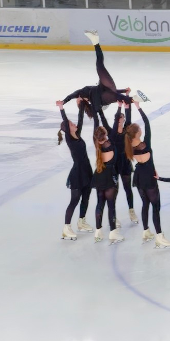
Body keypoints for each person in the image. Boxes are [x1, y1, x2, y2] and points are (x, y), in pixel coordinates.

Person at [125, 102, 170, 247]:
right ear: (137, 133)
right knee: (155, 207)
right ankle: (159, 237)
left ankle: (146, 231)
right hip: (149, 177)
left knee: (145, 204)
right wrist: (138, 107)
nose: (141, 129)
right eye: (139, 129)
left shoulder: (129, 145)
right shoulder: (146, 143)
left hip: (139, 176)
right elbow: (147, 122)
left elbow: (130, 127)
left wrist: (128, 108)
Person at [62, 32, 139, 118]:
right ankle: (136, 99)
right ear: (82, 102)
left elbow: (71, 96)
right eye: (77, 102)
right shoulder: (93, 102)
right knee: (115, 97)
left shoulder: (82, 93)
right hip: (105, 98)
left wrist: (63, 102)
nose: (76, 99)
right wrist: (123, 91)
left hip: (104, 88)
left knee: (100, 66)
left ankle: (95, 41)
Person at [56, 99, 94, 240]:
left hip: (87, 170)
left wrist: (82, 105)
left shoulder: (77, 134)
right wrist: (61, 108)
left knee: (86, 197)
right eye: (71, 124)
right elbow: (65, 120)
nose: (74, 124)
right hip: (77, 173)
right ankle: (66, 228)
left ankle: (81, 222)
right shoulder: (69, 138)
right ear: (67, 128)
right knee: (75, 200)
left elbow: (80, 118)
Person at [90, 107, 122, 243]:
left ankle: (98, 231)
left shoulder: (96, 144)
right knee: (111, 206)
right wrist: (119, 107)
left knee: (100, 204)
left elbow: (97, 126)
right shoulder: (111, 143)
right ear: (105, 135)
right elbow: (114, 126)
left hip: (98, 175)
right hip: (110, 177)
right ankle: (113, 233)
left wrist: (95, 111)